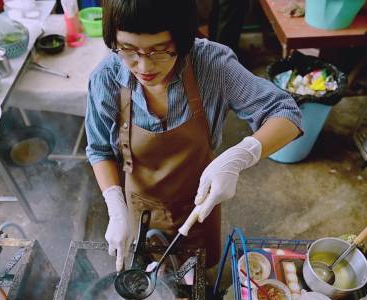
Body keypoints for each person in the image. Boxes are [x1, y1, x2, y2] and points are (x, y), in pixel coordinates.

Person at [86, 0, 301, 271]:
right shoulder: (106, 79)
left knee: (195, 272)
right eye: (128, 50)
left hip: (199, 203)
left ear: (182, 39)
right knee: (151, 270)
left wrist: (241, 154)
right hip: (138, 206)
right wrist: (115, 207)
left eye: (159, 51)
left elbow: (286, 112)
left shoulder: (211, 65)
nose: (143, 66)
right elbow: (100, 150)